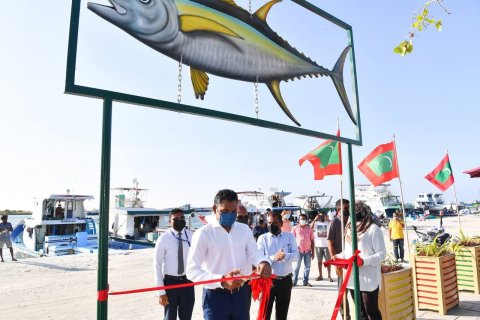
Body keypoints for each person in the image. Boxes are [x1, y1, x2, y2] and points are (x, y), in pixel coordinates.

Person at [186, 189, 272, 320]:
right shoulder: (203, 234)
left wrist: (263, 262)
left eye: (233, 212)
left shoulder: (244, 230)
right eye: (224, 211)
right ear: (214, 208)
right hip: (215, 298)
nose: (230, 215)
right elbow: (192, 270)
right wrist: (222, 280)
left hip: (241, 296)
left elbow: (255, 254)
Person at [338, 201, 387, 320]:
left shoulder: (373, 229)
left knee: (371, 312)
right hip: (352, 278)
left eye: (357, 210)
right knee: (360, 314)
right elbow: (348, 252)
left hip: (368, 279)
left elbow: (382, 254)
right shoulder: (349, 228)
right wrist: (338, 256)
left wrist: (364, 261)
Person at [154, 208, 194, 320]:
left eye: (181, 218)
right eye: (176, 218)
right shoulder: (163, 239)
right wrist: (161, 292)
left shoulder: (191, 236)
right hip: (170, 284)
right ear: (169, 221)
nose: (179, 220)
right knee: (169, 317)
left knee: (186, 317)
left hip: (188, 283)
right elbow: (156, 265)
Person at [257, 211, 298, 320]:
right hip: (268, 281)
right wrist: (273, 258)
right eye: (269, 222)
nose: (271, 225)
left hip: (285, 281)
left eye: (274, 223)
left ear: (281, 223)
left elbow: (296, 256)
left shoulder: (289, 237)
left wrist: (285, 256)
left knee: (282, 314)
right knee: (265, 314)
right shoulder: (262, 238)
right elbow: (259, 258)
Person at [327, 199, 350, 320]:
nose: (347, 210)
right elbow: (330, 243)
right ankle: (345, 316)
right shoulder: (334, 223)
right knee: (342, 291)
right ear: (338, 210)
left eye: (348, 207)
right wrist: (334, 259)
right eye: (345, 208)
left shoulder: (353, 221)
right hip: (341, 262)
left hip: (353, 260)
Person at [292, 213, 314, 287]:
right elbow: (292, 240)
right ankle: (294, 282)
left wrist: (313, 252)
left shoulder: (309, 229)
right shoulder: (295, 228)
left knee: (307, 267)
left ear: (306, 220)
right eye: (301, 219)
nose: (302, 220)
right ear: (298, 220)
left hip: (307, 250)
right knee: (296, 267)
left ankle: (305, 281)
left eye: (304, 219)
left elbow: (312, 240)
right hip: (298, 250)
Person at [311, 212, 332, 281]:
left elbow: (332, 224)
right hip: (318, 245)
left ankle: (329, 276)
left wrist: (328, 219)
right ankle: (320, 275)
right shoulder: (316, 223)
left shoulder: (328, 223)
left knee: (328, 261)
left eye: (322, 215)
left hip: (326, 245)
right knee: (319, 261)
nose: (321, 217)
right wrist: (314, 220)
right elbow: (310, 228)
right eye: (319, 215)